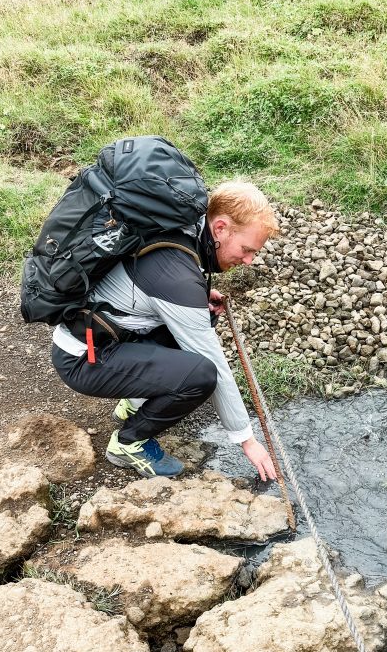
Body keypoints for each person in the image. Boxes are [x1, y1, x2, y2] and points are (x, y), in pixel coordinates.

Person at [51, 180, 278, 481]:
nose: (248, 261)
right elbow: (218, 369)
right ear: (221, 228)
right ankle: (129, 442)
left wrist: (197, 301)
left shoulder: (183, 227)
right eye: (247, 250)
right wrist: (247, 440)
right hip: (84, 358)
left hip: (103, 339)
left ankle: (133, 404)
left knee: (200, 321)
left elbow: (147, 288)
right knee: (201, 375)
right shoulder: (178, 278)